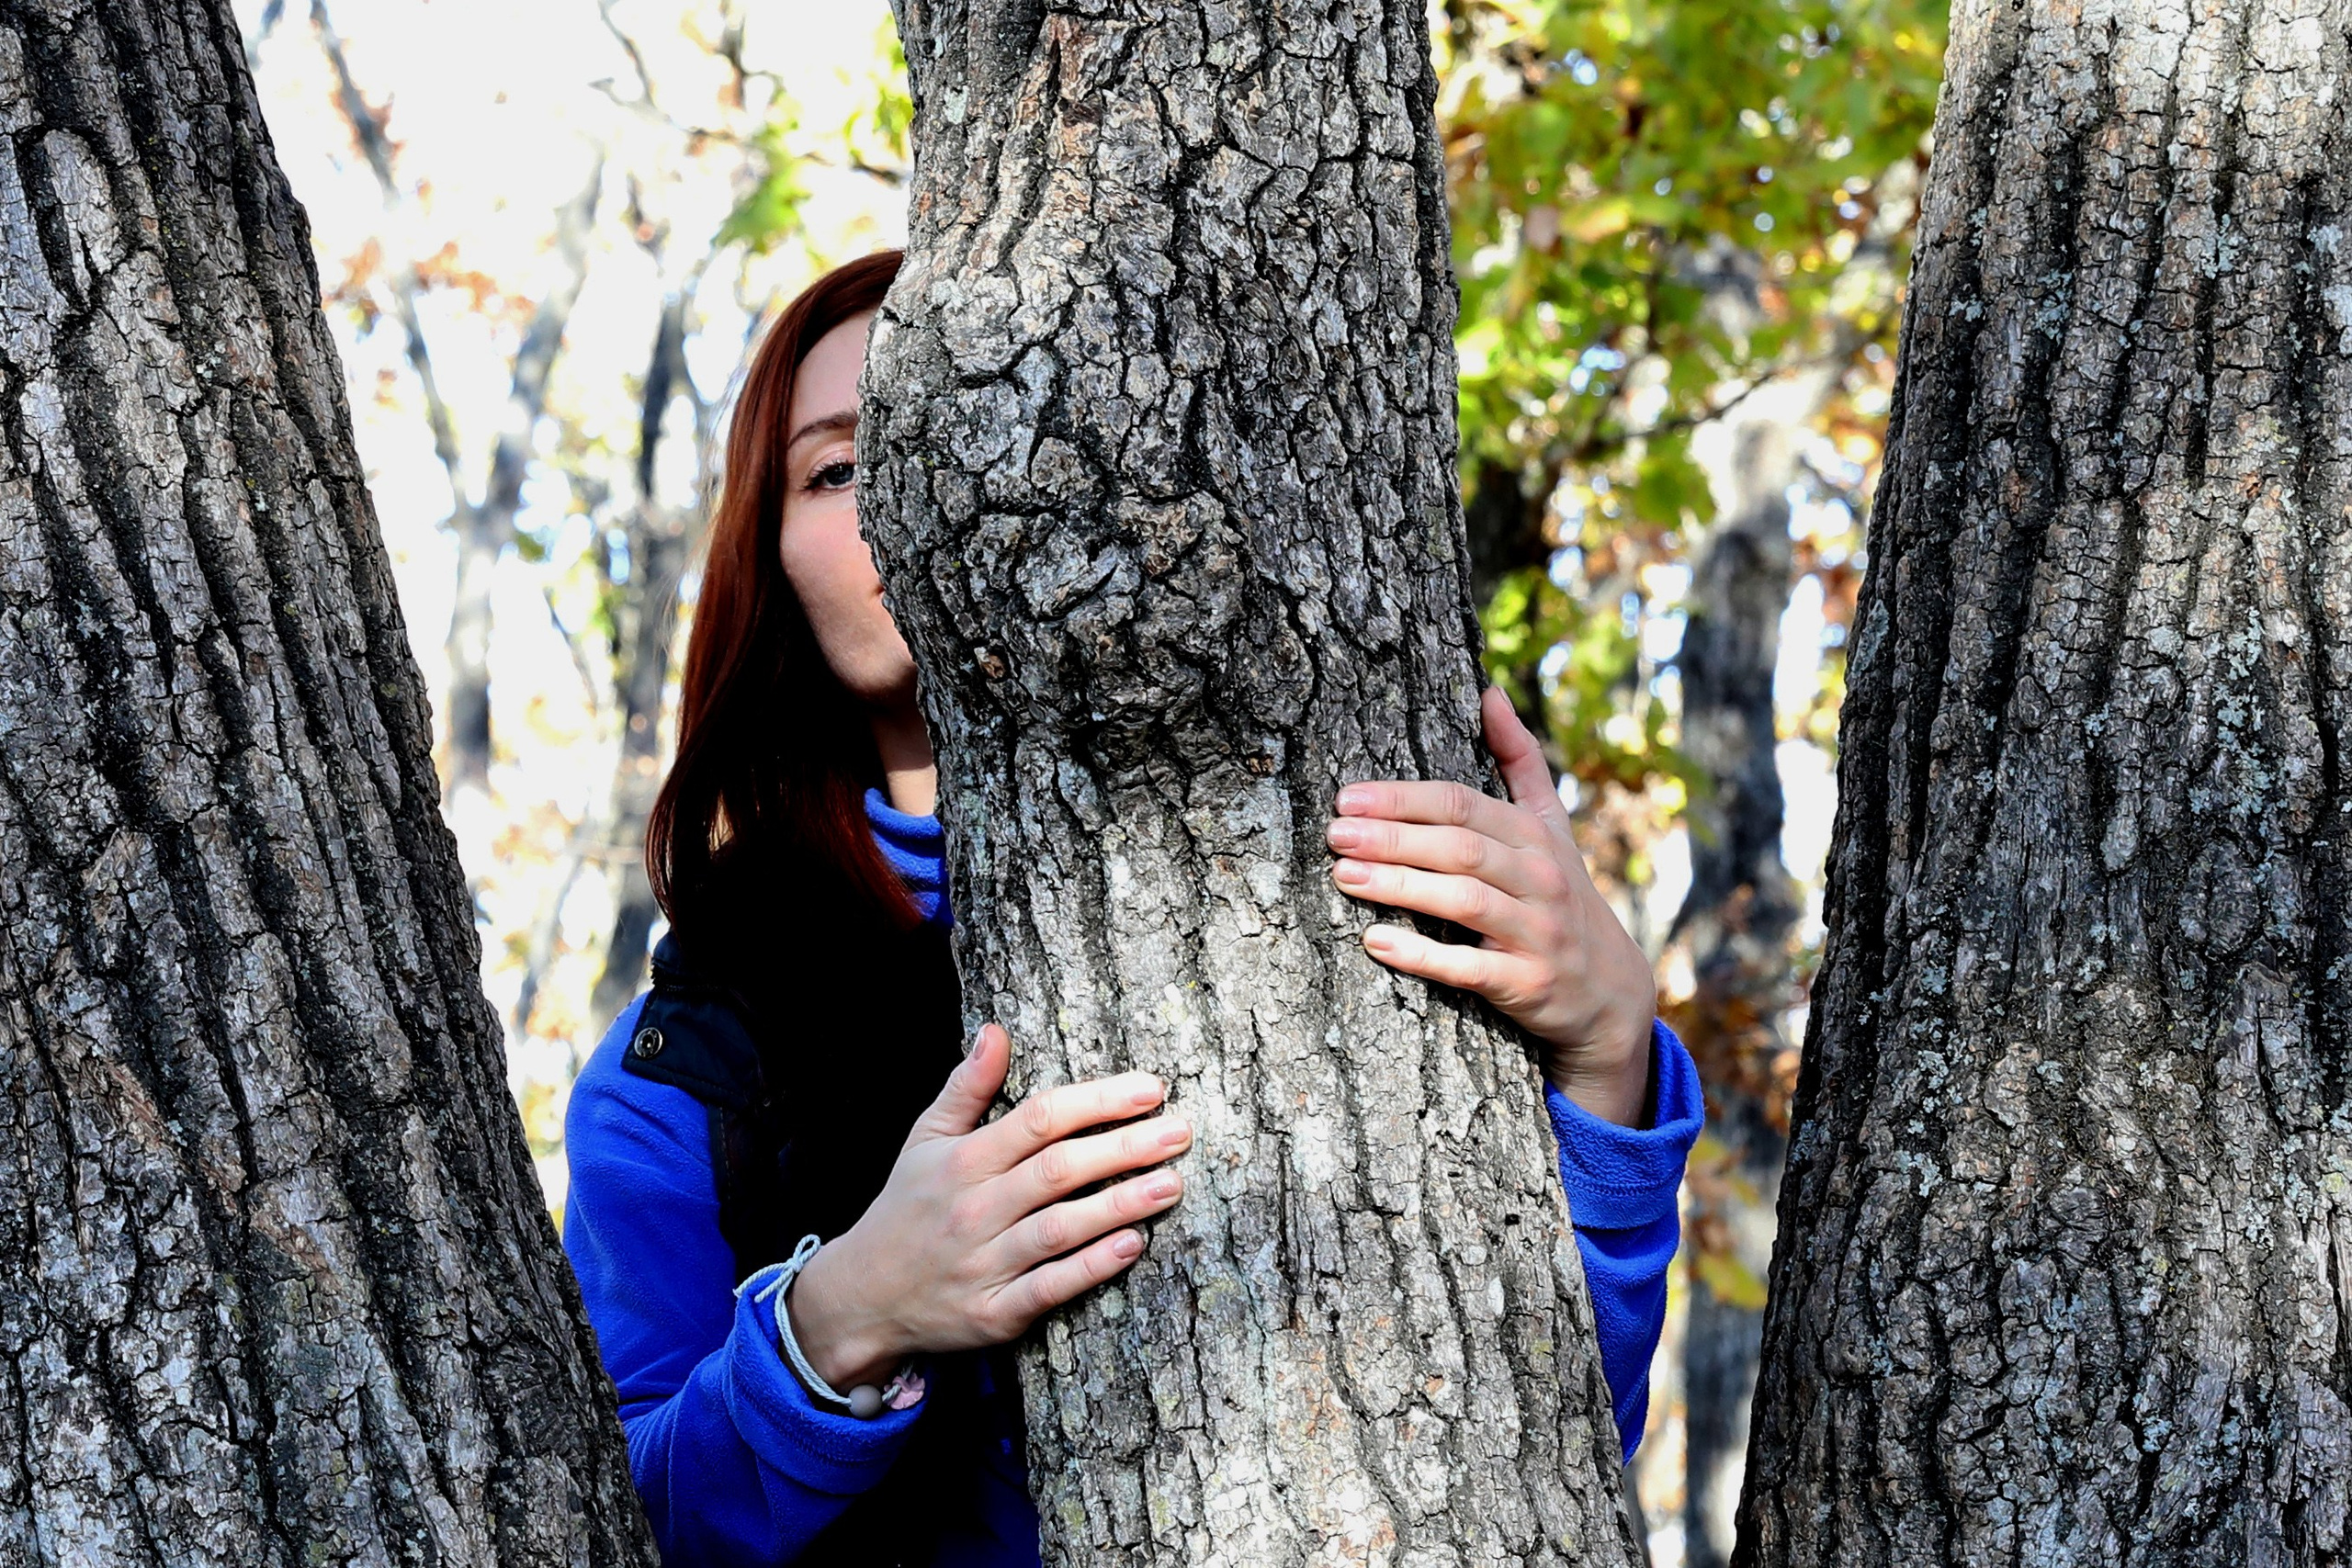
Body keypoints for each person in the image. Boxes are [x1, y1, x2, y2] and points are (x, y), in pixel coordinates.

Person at [563, 250, 1704, 1567]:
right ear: (769, 565)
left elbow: (1549, 1461)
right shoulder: (681, 1079)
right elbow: (616, 1520)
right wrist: (837, 1324)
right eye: (838, 466)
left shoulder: (1377, 875)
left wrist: (1614, 1062)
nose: (920, 491)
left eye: (961, 427)